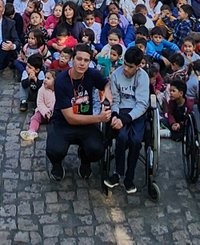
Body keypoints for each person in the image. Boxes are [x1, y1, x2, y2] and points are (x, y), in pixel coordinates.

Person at [45, 44, 110, 181]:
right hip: (64, 123)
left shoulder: (91, 74)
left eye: (86, 60)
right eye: (79, 59)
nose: (82, 63)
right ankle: (56, 164)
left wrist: (106, 97)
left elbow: (107, 84)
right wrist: (99, 118)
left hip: (86, 124)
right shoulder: (61, 81)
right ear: (72, 60)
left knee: (97, 149)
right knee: (54, 150)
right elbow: (70, 118)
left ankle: (85, 158)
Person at [103, 45, 150, 193]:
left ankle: (129, 177)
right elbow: (115, 100)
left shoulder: (143, 77)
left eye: (130, 67)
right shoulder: (116, 75)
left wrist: (126, 119)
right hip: (121, 109)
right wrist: (116, 116)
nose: (126, 69)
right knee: (121, 137)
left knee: (136, 141)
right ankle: (118, 173)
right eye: (125, 64)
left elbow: (142, 104)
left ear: (137, 66)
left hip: (137, 112)